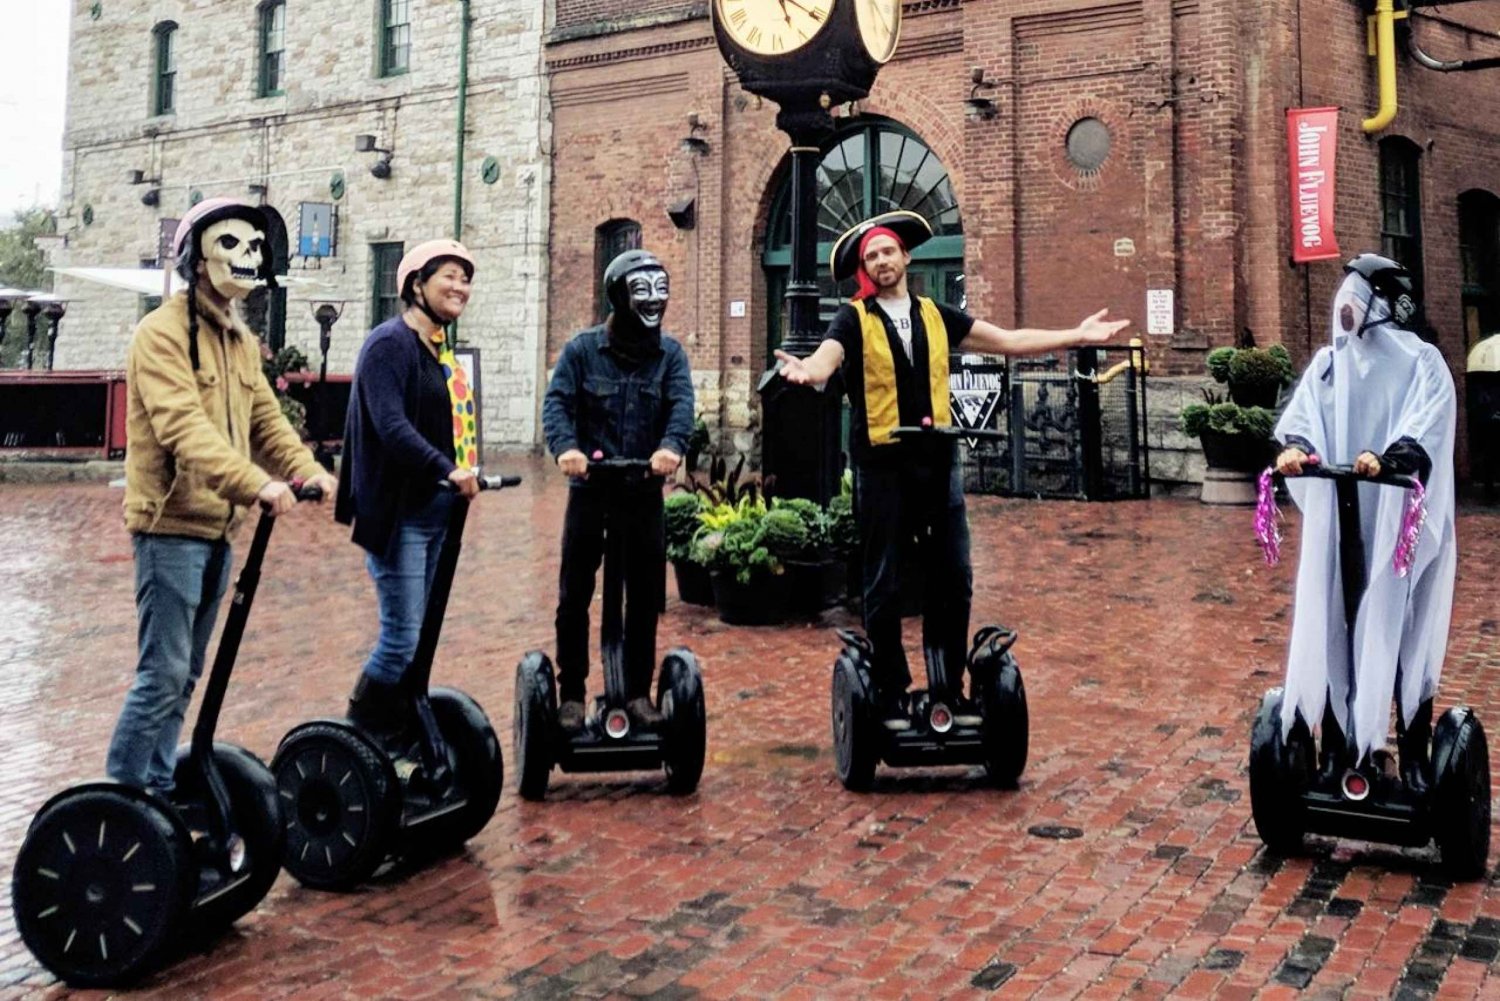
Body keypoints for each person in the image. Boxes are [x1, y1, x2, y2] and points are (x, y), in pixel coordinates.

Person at [775, 210, 1129, 729]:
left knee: (954, 577)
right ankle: (891, 686)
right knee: (884, 581)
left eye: (887, 251)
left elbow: (1006, 340)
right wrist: (809, 371)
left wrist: (1075, 336)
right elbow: (827, 358)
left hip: (937, 464)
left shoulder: (937, 314)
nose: (880, 261)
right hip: (882, 466)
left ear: (905, 256)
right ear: (865, 269)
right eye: (871, 256)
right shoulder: (853, 319)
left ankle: (947, 683)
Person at [108, 197, 338, 794]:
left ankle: (156, 792)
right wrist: (257, 483)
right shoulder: (160, 335)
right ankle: (123, 800)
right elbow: (184, 430)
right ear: (196, 258)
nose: (247, 256)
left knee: (187, 675)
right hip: (170, 527)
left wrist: (308, 469)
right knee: (161, 675)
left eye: (255, 247)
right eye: (231, 244)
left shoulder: (238, 340)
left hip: (218, 530)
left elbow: (268, 421)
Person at [1273, 253, 1457, 788]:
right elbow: (1305, 416)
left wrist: (1392, 457)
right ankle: (1337, 746)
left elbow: (1430, 417)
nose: (1345, 307)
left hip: (1402, 520)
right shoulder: (1331, 366)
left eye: (1357, 296)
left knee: (1406, 627)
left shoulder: (1421, 361)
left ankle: (1413, 750)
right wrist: (1298, 448)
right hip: (1345, 518)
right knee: (1338, 618)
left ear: (1381, 304)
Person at [542, 249, 695, 731]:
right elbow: (558, 405)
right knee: (574, 593)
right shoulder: (582, 351)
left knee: (646, 594)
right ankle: (571, 693)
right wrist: (567, 448)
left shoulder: (670, 355)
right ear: (619, 296)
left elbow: (680, 407)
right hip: (592, 489)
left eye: (659, 292)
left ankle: (636, 692)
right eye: (641, 292)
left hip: (642, 490)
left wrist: (671, 448)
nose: (653, 302)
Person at [335, 239, 482, 737]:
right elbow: (391, 426)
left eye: (466, 279)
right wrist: (448, 467)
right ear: (416, 284)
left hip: (437, 509)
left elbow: (452, 424)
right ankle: (357, 732)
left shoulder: (438, 351)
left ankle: (397, 725)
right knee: (400, 638)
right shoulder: (388, 344)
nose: (460, 287)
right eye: (450, 276)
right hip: (399, 513)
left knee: (419, 637)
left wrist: (467, 467)